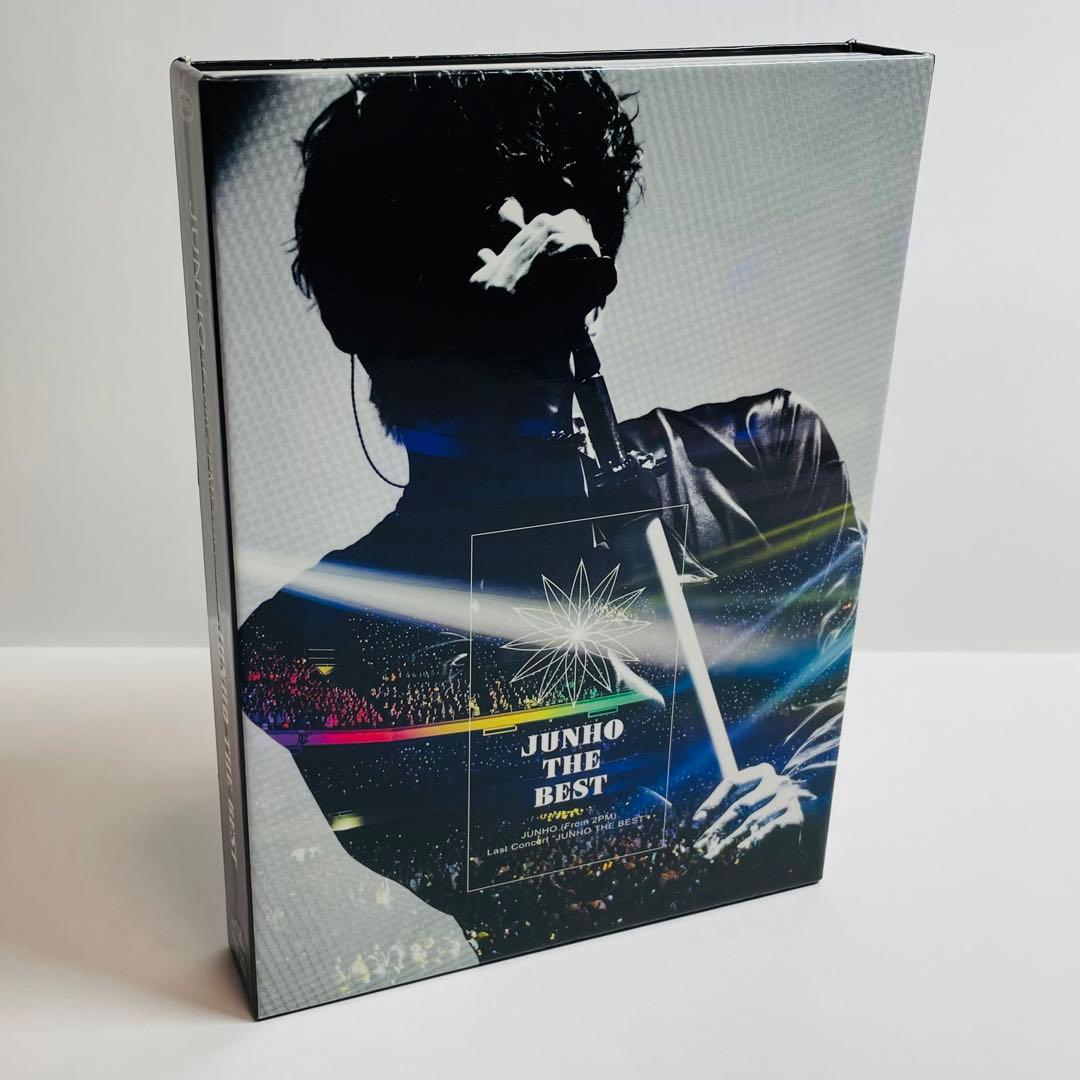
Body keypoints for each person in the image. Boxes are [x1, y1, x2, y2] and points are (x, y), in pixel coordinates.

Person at [239, 69, 864, 948]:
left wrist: (801, 801)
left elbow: (838, 718)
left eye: (545, 203)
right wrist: (492, 388)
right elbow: (502, 881)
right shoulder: (305, 648)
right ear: (365, 310)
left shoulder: (765, 457)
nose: (518, 233)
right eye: (456, 223)